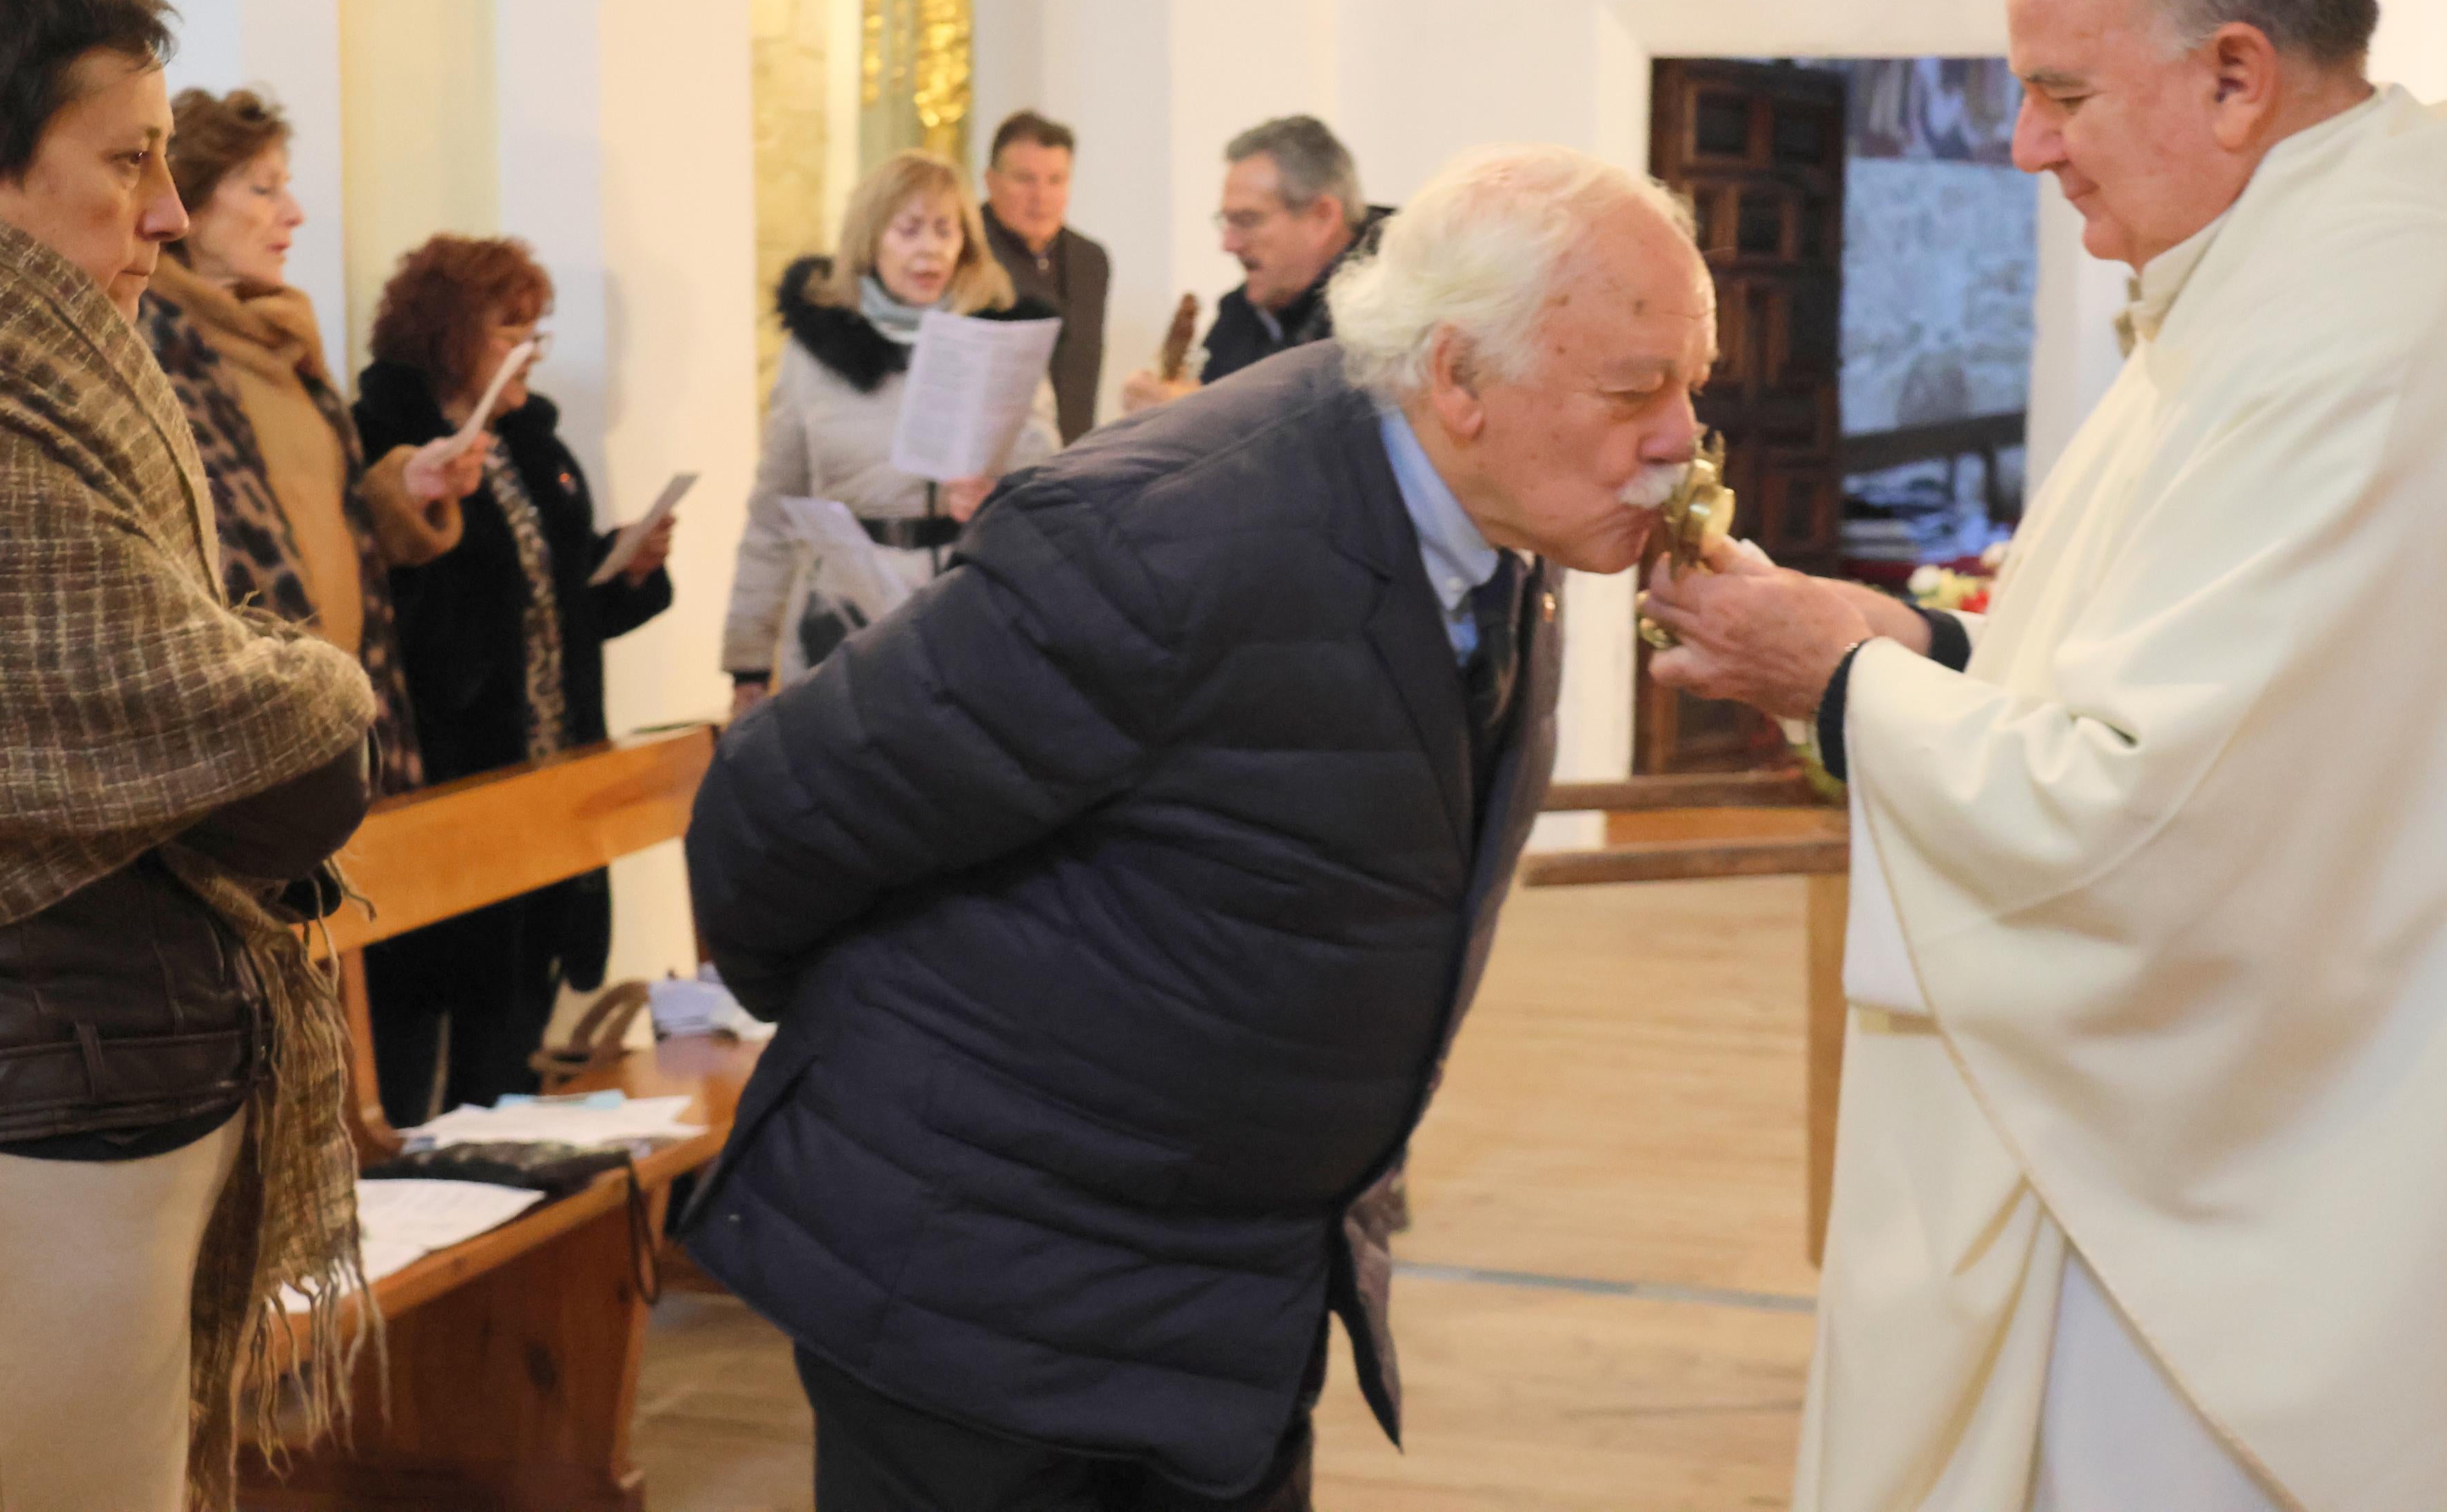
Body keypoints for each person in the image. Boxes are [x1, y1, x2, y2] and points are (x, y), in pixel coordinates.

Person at [1643, 0, 2447, 1511]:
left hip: (2244, 1232)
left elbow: (2154, 833)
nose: (2026, 144)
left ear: (2234, 78)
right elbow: (2197, 696)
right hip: (2305, 1149)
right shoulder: (2316, 292)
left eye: (2058, 94)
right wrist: (1925, 651)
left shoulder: (2360, 337)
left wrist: (1840, 688)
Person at [685, 144, 1714, 1512]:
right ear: (1456, 377)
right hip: (976, 1307)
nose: (1679, 438)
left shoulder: (1497, 518)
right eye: (1636, 391)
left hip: (1212, 1302)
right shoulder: (1160, 541)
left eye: (1690, 388)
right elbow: (774, 812)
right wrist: (908, 1066)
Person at [0, 0, 378, 1510]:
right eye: (129, 160)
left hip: (32, 1089)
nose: (167, 209)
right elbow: (280, 756)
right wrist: (307, 680)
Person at [351, 236, 675, 1123]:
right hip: (455, 775)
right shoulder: (379, 440)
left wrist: (626, 567)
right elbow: (384, 611)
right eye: (511, 329)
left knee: (519, 1047)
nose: (531, 349)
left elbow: (551, 608)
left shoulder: (535, 447)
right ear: (450, 335)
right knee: (438, 1051)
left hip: (550, 772)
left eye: (539, 329)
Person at [141, 86, 485, 793]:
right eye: (263, 190)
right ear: (190, 202)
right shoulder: (148, 352)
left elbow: (325, 528)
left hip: (342, 722)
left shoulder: (285, 345)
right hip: (241, 750)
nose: (291, 215)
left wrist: (402, 491)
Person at [721, 150, 1058, 715]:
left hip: (961, 608)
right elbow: (773, 511)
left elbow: (1048, 483)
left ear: (965, 245)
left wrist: (995, 493)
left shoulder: (999, 340)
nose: (928, 249)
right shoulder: (816, 350)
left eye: (943, 230)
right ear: (871, 239)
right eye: (908, 230)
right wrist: (748, 655)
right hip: (843, 615)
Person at [1119, 114, 1390, 413]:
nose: (1229, 245)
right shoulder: (1242, 313)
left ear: (1322, 217)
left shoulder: (1388, 319)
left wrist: (1202, 416)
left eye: (1247, 221)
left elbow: (1336, 436)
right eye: (1227, 222)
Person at [980, 108, 1112, 443]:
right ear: (990, 181)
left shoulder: (1091, 260)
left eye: (1056, 180)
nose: (1041, 197)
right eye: (1024, 179)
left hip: (1071, 456)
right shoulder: (966, 252)